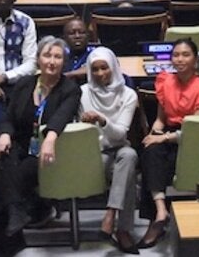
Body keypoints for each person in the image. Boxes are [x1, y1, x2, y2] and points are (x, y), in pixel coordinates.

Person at [0, 37, 81, 256]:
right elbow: (8, 117)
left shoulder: (70, 89)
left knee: (12, 177)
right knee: (0, 159)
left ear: (64, 62)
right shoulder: (24, 84)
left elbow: (62, 117)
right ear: (38, 59)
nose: (51, 61)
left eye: (57, 57)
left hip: (51, 150)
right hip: (20, 144)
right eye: (47, 55)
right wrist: (4, 135)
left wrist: (49, 139)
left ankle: (7, 240)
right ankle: (18, 217)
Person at [139, 39, 199, 249]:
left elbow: (194, 128)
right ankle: (159, 213)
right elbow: (160, 118)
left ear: (195, 59)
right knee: (150, 153)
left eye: (185, 55)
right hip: (168, 132)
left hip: (193, 136)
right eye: (176, 55)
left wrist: (163, 138)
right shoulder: (165, 81)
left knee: (166, 158)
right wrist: (154, 133)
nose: (180, 59)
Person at [76, 46, 140, 252]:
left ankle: (111, 214)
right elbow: (78, 132)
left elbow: (120, 134)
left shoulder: (128, 94)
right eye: (95, 69)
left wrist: (102, 120)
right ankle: (123, 231)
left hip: (119, 149)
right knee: (127, 171)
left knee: (129, 155)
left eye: (105, 68)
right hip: (94, 154)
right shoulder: (83, 93)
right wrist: (86, 123)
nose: (100, 73)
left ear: (113, 67)